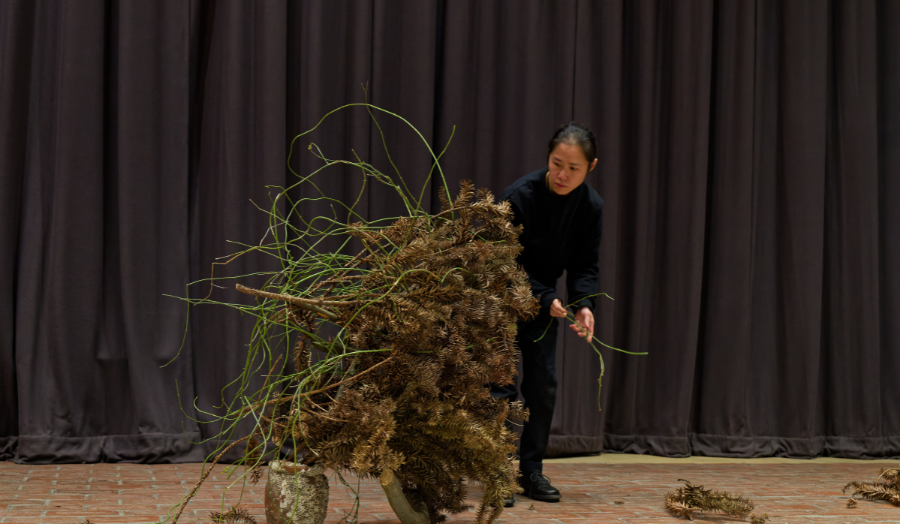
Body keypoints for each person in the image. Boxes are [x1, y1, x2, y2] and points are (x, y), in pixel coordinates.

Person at [492, 122, 603, 507]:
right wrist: (544, 296)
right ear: (548, 158)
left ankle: (531, 471)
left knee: (543, 386)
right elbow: (501, 262)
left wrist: (584, 304)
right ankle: (497, 470)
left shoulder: (590, 206)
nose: (562, 175)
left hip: (542, 305)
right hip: (499, 299)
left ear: (591, 166)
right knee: (500, 388)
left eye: (573, 168)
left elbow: (585, 264)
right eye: (557, 164)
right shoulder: (518, 196)